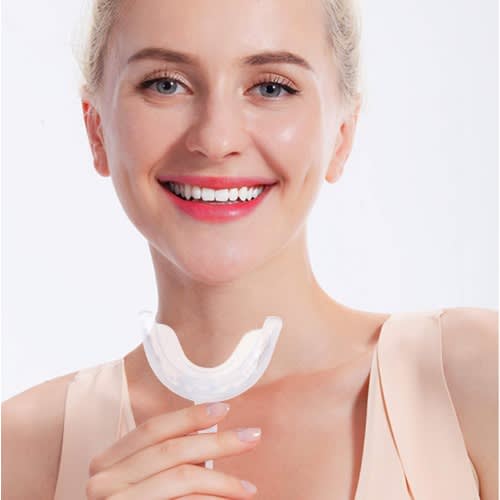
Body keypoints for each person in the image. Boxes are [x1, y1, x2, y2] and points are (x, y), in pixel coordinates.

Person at [2, 0, 497, 499]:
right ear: (96, 130)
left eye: (271, 87)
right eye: (166, 84)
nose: (216, 139)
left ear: (342, 134)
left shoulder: (472, 377)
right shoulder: (17, 453)